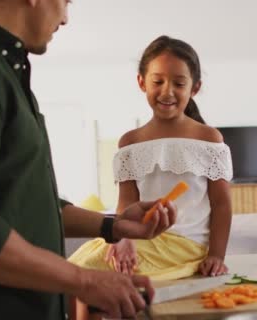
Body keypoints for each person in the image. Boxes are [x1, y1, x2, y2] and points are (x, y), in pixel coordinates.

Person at [0, 1, 178, 320]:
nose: (66, 18)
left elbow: (21, 204)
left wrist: (114, 225)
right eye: (66, 1)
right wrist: (85, 280)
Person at [68, 35, 233, 319]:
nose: (167, 91)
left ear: (195, 88)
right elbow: (126, 204)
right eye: (157, 82)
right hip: (142, 238)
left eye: (179, 83)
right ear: (142, 83)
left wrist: (216, 255)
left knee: (88, 272)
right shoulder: (129, 142)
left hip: (184, 244)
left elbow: (222, 204)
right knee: (73, 267)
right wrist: (123, 240)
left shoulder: (209, 138)